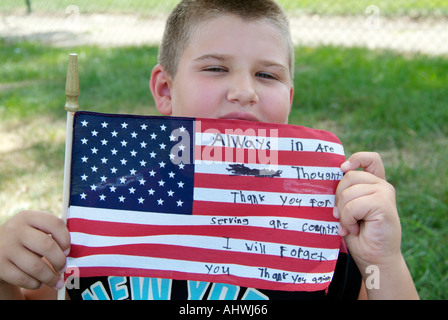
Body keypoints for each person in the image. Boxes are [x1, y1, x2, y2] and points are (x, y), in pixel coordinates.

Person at [0, 0, 418, 300]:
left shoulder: (321, 229)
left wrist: (382, 260)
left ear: (289, 97)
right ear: (165, 89)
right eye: (216, 68)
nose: (244, 92)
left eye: (266, 75)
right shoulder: (106, 214)